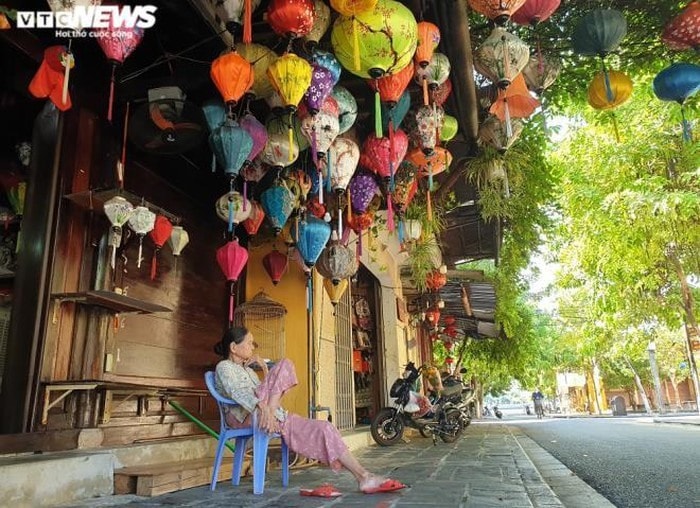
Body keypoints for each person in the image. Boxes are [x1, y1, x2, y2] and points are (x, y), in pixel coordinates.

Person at [213, 326, 406, 494]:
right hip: (244, 415)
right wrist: (264, 407)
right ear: (233, 347)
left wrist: (264, 370)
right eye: (249, 343)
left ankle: (363, 476)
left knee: (325, 428)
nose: (253, 347)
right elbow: (239, 393)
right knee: (285, 363)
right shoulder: (224, 367)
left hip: (268, 415)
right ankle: (272, 413)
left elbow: (265, 390)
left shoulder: (247, 370)